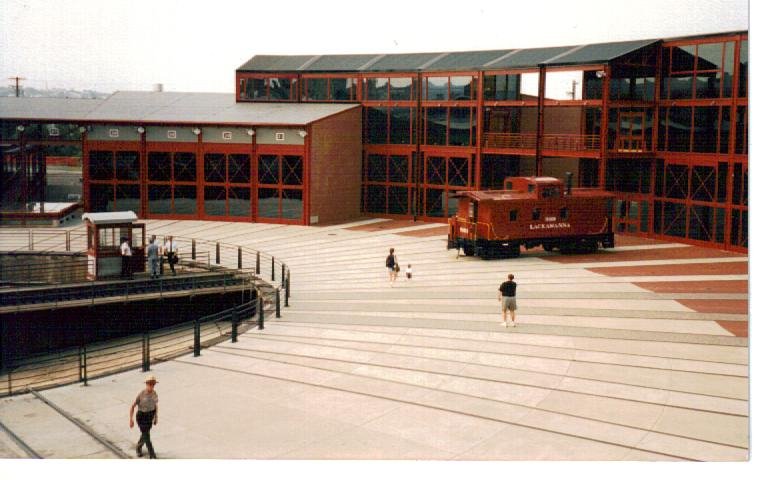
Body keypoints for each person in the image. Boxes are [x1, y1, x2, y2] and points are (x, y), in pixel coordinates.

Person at [129, 375, 159, 459]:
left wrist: (156, 417)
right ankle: (152, 454)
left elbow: (156, 405)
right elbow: (132, 406)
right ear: (146, 384)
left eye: (153, 384)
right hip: (141, 417)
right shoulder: (141, 394)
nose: (151, 386)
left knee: (145, 434)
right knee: (147, 435)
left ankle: (138, 447)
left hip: (150, 416)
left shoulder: (154, 393)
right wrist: (131, 420)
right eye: (150, 384)